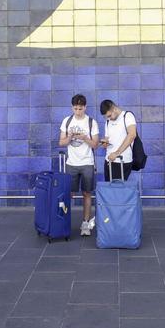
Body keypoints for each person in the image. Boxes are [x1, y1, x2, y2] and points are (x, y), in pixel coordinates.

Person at [58, 94, 100, 237]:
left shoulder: (91, 122)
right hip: (71, 163)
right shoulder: (67, 121)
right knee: (68, 194)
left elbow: (95, 145)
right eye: (75, 108)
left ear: (85, 107)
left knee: (87, 193)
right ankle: (63, 222)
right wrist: (70, 137)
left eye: (80, 109)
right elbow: (61, 143)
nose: (78, 111)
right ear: (72, 107)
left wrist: (84, 138)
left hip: (87, 163)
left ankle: (85, 223)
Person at [98, 99, 137, 182]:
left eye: (109, 116)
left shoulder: (127, 116)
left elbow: (132, 135)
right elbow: (108, 139)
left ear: (114, 108)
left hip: (122, 160)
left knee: (117, 191)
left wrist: (116, 153)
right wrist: (104, 143)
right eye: (106, 117)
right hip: (109, 160)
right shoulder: (108, 122)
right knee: (109, 191)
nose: (108, 118)